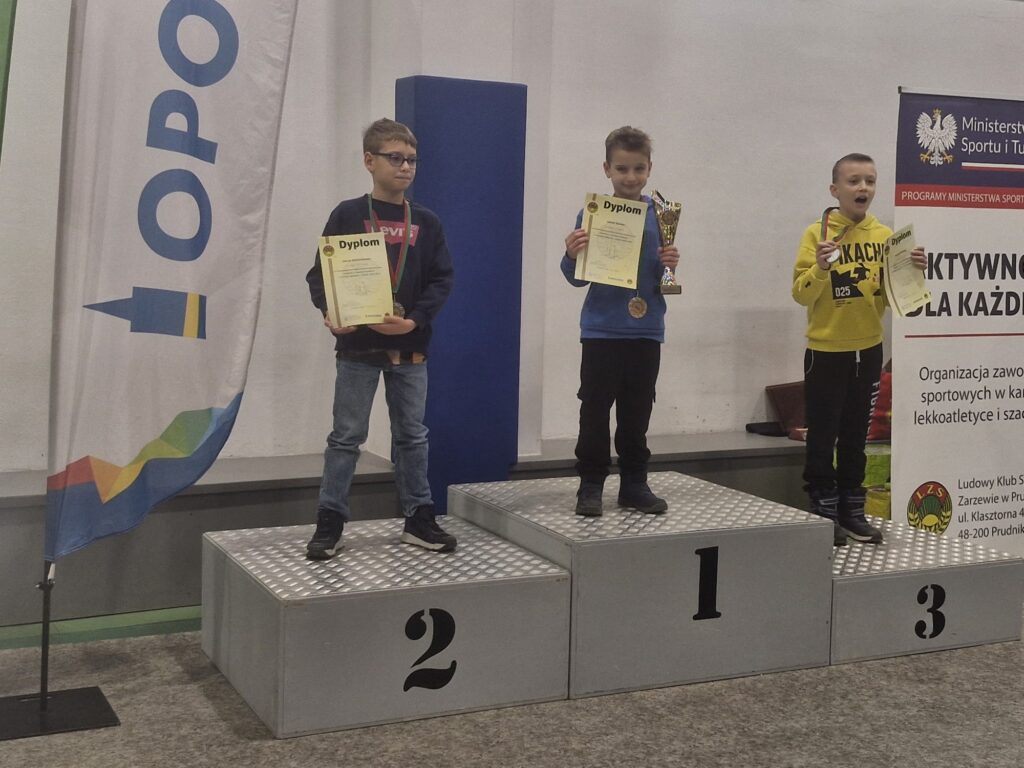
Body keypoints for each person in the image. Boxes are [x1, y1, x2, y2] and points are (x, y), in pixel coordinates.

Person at [304, 118, 455, 560]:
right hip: (358, 349)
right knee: (346, 437)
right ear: (369, 161)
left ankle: (419, 518)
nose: (405, 167)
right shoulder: (348, 215)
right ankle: (330, 521)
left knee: (412, 436)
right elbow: (320, 274)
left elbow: (442, 279)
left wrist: (415, 321)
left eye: (412, 160)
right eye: (395, 158)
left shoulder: (426, 221)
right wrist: (331, 313)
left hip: (410, 349)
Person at [792, 153, 926, 546]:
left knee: (856, 436)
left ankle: (852, 508)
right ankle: (822, 507)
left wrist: (912, 271)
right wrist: (820, 268)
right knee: (823, 435)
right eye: (853, 181)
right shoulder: (816, 234)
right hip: (826, 351)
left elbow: (892, 297)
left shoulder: (885, 236)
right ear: (835, 190)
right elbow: (801, 294)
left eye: (869, 180)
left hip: (867, 351)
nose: (863, 187)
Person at [560, 126, 680, 517]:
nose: (630, 177)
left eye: (638, 169)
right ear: (607, 169)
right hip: (601, 329)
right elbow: (577, 278)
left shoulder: (662, 215)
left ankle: (634, 483)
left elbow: (664, 282)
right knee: (594, 409)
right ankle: (591, 484)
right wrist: (570, 254)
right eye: (622, 169)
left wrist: (669, 266)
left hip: (646, 329)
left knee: (637, 410)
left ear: (650, 169)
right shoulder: (593, 213)